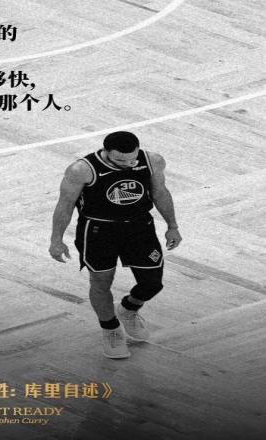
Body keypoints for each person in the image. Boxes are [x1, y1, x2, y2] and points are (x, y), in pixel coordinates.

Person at [49, 131, 182, 359]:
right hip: (99, 231)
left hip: (139, 227)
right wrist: (56, 240)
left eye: (132, 159)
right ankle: (110, 329)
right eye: (121, 160)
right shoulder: (81, 170)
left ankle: (129, 309)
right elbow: (65, 205)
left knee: (152, 283)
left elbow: (160, 193)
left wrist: (172, 226)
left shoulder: (153, 160)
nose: (128, 164)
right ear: (106, 152)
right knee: (101, 281)